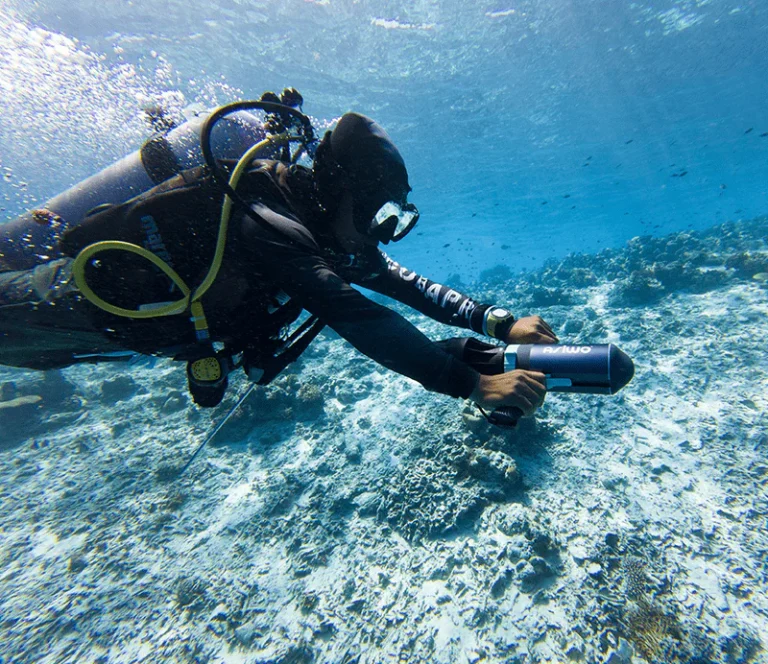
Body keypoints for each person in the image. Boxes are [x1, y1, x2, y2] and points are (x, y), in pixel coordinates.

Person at [0, 98, 558, 419]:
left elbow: (395, 281)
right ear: (342, 193)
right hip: (72, 302)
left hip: (120, 330)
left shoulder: (323, 223)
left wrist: (498, 322)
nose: (381, 237)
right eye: (377, 216)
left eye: (392, 220)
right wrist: (471, 384)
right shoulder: (271, 221)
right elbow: (356, 313)